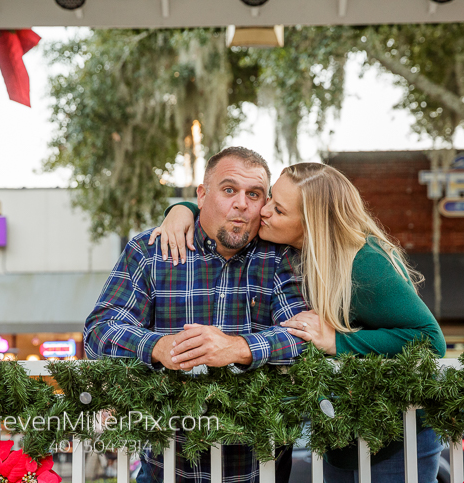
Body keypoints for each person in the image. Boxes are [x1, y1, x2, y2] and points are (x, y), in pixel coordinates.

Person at [151, 162, 447, 483]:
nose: (262, 211)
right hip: (341, 431)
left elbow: (430, 340)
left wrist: (337, 341)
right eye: (270, 199)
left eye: (277, 209)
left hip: (396, 434)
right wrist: (180, 210)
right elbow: (220, 208)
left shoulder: (363, 262)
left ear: (310, 224)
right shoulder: (290, 251)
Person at [84, 146, 309, 483]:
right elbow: (99, 331)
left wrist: (237, 349)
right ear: (201, 195)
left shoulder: (279, 257)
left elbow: (304, 336)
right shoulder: (151, 251)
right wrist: (159, 347)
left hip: (257, 471)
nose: (242, 203)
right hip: (166, 468)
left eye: (255, 194)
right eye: (229, 190)